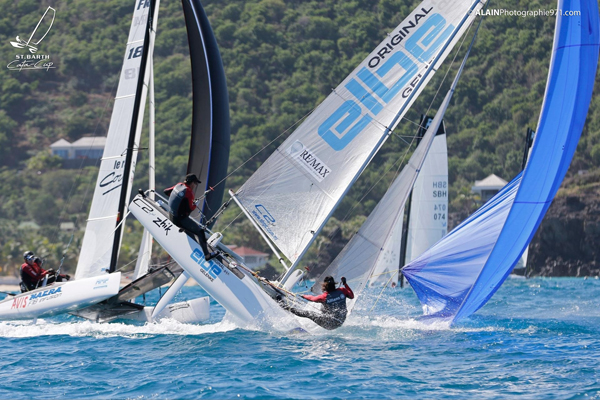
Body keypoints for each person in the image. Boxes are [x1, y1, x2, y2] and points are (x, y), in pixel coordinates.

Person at [164, 173, 217, 261]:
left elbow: (166, 191)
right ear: (192, 183)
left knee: (184, 212)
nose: (195, 186)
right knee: (200, 232)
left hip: (171, 215)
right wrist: (195, 204)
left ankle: (184, 228)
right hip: (179, 220)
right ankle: (207, 255)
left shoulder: (179, 185)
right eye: (195, 183)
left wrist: (178, 200)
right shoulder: (189, 192)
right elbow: (190, 208)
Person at [287, 276, 354, 330]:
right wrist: (345, 284)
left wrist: (304, 296)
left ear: (325, 286)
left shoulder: (324, 297)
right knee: (325, 308)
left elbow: (312, 298)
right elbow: (352, 296)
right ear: (334, 284)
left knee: (309, 313)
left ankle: (287, 308)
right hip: (341, 321)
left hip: (330, 324)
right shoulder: (342, 290)